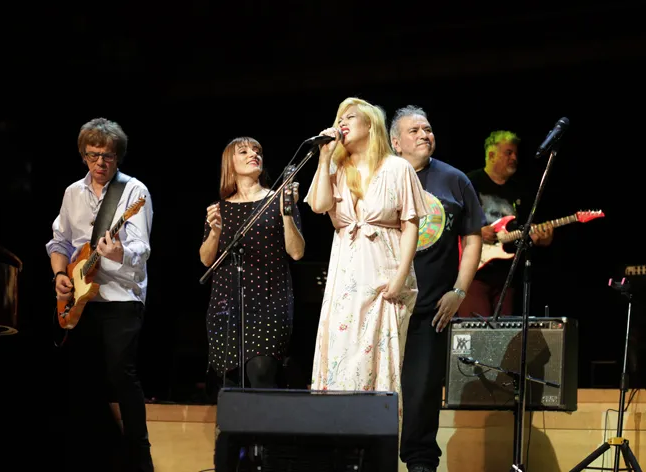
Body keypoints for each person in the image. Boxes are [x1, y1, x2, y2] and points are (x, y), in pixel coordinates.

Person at [305, 97, 429, 428]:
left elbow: (411, 225)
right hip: (346, 278)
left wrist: (400, 277)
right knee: (341, 357)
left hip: (384, 276)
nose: (342, 123)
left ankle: (376, 439)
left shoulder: (397, 168)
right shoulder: (336, 169)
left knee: (379, 362)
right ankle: (337, 437)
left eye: (350, 117)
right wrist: (324, 158)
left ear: (370, 125)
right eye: (339, 118)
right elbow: (318, 206)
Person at [46, 117, 154, 472]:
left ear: (117, 156)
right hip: (81, 300)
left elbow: (142, 247)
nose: (100, 162)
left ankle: (139, 459)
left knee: (121, 374)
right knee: (79, 381)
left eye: (107, 155)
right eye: (93, 155)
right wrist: (60, 275)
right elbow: (59, 242)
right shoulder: (72, 193)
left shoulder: (133, 191)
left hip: (121, 296)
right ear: (84, 155)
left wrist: (118, 253)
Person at [389, 105, 485, 472]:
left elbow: (473, 239)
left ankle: (420, 462)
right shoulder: (382, 177)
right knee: (379, 387)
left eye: (427, 129)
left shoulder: (454, 180)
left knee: (423, 391)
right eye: (414, 131)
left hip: (432, 307)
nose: (424, 135)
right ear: (395, 142)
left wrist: (459, 291)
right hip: (385, 304)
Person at [200, 136, 305, 391]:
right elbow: (206, 259)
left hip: (270, 301)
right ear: (230, 163)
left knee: (261, 372)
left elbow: (296, 252)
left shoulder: (279, 199)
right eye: (244, 151)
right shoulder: (219, 208)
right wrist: (215, 232)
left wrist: (287, 212)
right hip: (227, 304)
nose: (253, 154)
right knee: (229, 382)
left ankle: (267, 419)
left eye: (257, 151)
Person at [458, 130, 553, 319]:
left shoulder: (520, 191)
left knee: (503, 333)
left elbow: (525, 230)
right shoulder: (469, 182)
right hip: (473, 275)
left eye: (516, 153)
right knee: (475, 331)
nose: (514, 158)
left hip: (507, 278)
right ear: (491, 154)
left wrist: (540, 238)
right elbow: (450, 220)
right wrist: (475, 231)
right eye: (508, 153)